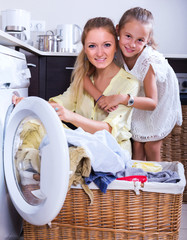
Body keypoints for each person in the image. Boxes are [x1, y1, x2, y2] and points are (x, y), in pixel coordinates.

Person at [13, 17, 139, 157]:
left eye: (106, 45)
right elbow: (58, 105)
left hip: (114, 155)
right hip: (85, 151)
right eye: (92, 46)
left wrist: (71, 116)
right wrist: (28, 104)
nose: (99, 53)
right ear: (85, 49)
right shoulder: (82, 80)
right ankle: (27, 172)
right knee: (34, 124)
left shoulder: (130, 83)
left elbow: (108, 130)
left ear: (116, 46)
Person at [84, 7, 182, 162]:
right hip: (137, 92)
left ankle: (155, 183)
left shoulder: (148, 62)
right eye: (128, 36)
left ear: (148, 39)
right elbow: (83, 77)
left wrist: (121, 98)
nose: (132, 44)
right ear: (118, 31)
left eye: (140, 40)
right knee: (136, 144)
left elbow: (152, 103)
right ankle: (135, 183)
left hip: (160, 96)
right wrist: (100, 97)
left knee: (151, 145)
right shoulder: (111, 47)